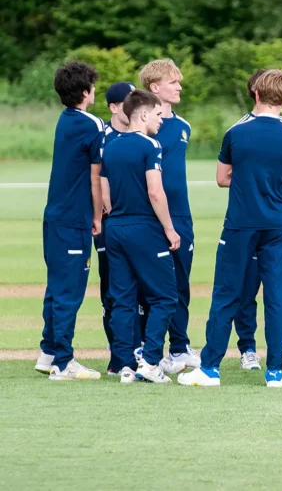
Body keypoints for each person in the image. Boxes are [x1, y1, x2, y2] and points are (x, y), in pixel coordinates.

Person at [178, 69, 282, 388]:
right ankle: (275, 371)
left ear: (256, 95)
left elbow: (222, 178)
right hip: (278, 222)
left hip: (241, 223)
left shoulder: (236, 132)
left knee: (226, 293)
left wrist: (247, 178)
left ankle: (210, 368)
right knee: (277, 296)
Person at [101, 89, 180, 384]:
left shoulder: (109, 147)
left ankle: (124, 365)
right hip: (144, 229)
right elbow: (155, 192)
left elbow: (105, 194)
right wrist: (170, 229)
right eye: (158, 115)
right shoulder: (150, 145)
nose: (161, 121)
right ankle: (149, 363)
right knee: (165, 296)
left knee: (122, 298)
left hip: (116, 229)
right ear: (144, 114)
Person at [36, 61, 104, 381]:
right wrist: (97, 214)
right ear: (85, 92)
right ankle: (63, 363)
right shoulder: (92, 124)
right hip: (73, 220)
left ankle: (48, 351)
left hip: (55, 217)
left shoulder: (66, 119)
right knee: (69, 291)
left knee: (56, 288)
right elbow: (97, 176)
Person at [232, 69, 282, 371]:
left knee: (277, 286)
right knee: (246, 284)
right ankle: (247, 348)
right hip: (249, 217)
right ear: (256, 92)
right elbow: (231, 176)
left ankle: (280, 348)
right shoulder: (239, 129)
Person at [138, 59, 198, 373]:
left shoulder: (183, 126)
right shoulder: (140, 126)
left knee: (181, 284)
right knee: (149, 287)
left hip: (181, 216)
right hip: (148, 217)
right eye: (172, 82)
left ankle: (179, 347)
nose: (179, 87)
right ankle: (148, 349)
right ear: (154, 87)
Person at [92, 81, 138, 375]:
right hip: (110, 225)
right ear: (113, 107)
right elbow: (93, 179)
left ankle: (143, 351)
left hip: (142, 226)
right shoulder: (102, 137)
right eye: (129, 101)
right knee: (112, 291)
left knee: (146, 291)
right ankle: (118, 353)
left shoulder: (142, 136)